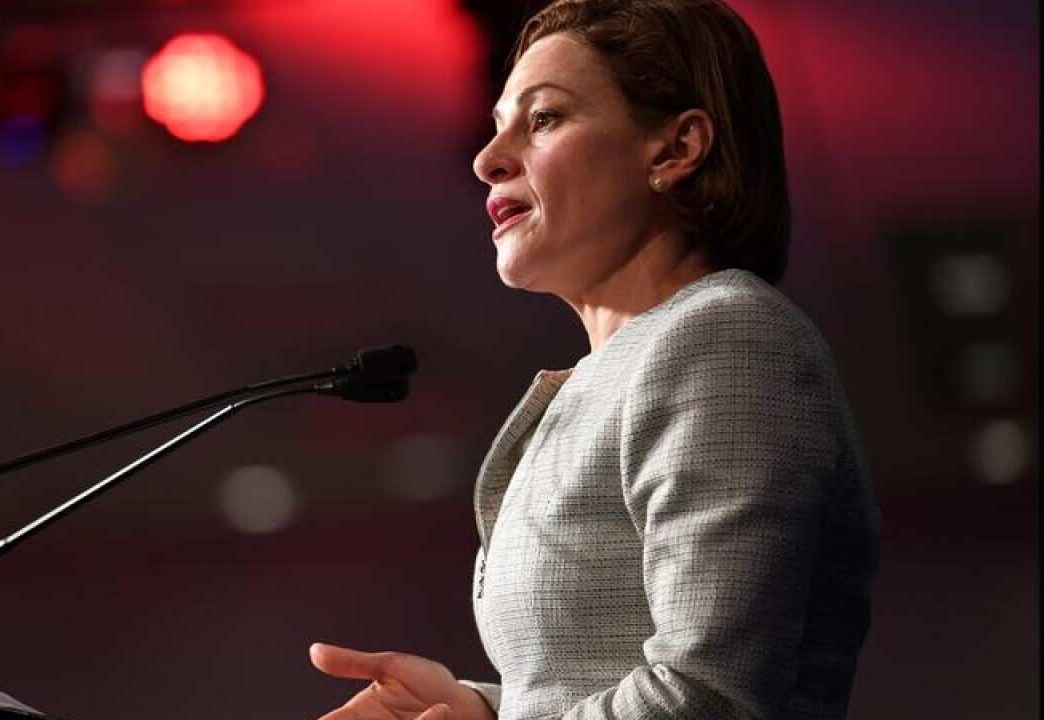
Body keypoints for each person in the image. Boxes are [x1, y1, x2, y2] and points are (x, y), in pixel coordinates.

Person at [309, 0, 881, 718]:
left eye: (543, 119)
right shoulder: (618, 371)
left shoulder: (727, 337)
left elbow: (710, 697)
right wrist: (483, 710)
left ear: (675, 150)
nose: (487, 160)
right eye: (495, 130)